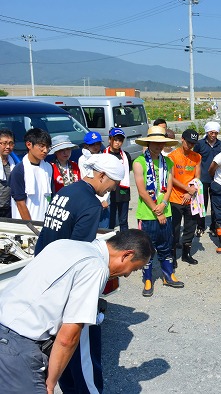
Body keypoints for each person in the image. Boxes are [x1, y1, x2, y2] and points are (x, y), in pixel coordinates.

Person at [0, 230, 153, 394]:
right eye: (134, 269)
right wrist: (50, 384)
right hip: (18, 347)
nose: (127, 275)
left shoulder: (64, 244)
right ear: (126, 255)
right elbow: (68, 337)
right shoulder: (96, 268)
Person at [33, 152, 124, 394]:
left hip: (44, 272)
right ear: (102, 175)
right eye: (113, 183)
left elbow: (47, 233)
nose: (113, 189)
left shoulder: (67, 191)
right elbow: (78, 254)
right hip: (65, 283)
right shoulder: (91, 204)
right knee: (80, 351)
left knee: (58, 349)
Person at [133, 126, 183, 297]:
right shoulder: (139, 162)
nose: (158, 146)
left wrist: (164, 204)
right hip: (147, 214)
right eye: (155, 143)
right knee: (147, 248)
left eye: (161, 143)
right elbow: (141, 190)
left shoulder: (167, 162)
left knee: (166, 246)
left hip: (165, 211)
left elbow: (169, 186)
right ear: (148, 143)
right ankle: (148, 279)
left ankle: (168, 275)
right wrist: (157, 210)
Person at [168, 129, 201, 266]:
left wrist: (191, 191)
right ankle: (173, 255)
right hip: (176, 198)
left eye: (193, 143)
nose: (190, 145)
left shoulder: (197, 157)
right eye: (188, 142)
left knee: (190, 226)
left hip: (191, 197)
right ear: (182, 139)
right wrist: (186, 189)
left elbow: (197, 176)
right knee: (175, 228)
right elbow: (171, 177)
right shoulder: (172, 156)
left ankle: (186, 254)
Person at [9, 128, 53, 221]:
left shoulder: (48, 168)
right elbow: (20, 203)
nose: (45, 150)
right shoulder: (19, 170)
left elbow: (50, 197)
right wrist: (32, 227)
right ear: (29, 144)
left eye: (48, 147)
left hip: (46, 223)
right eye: (42, 146)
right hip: (26, 227)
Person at [193, 121, 221, 235]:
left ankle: (214, 226)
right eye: (211, 133)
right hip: (202, 178)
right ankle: (200, 226)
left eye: (216, 133)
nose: (213, 135)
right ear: (207, 132)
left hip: (216, 179)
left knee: (216, 204)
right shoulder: (199, 144)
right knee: (202, 204)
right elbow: (193, 159)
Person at [79, 131, 110, 229]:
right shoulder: (83, 159)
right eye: (92, 144)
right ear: (86, 145)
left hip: (105, 199)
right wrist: (99, 200)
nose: (96, 146)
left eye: (98, 143)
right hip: (90, 200)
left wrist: (104, 200)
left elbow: (108, 180)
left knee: (104, 231)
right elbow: (87, 180)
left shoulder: (105, 157)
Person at [105, 127, 133, 231]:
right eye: (115, 140)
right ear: (110, 140)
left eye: (120, 140)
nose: (118, 143)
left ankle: (124, 241)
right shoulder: (104, 154)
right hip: (108, 191)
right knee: (110, 219)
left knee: (123, 220)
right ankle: (110, 241)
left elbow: (127, 171)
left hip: (123, 190)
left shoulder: (126, 155)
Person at [0, 129, 18, 218]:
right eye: (4, 143)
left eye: (11, 143)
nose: (8, 146)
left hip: (9, 208)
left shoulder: (15, 162)